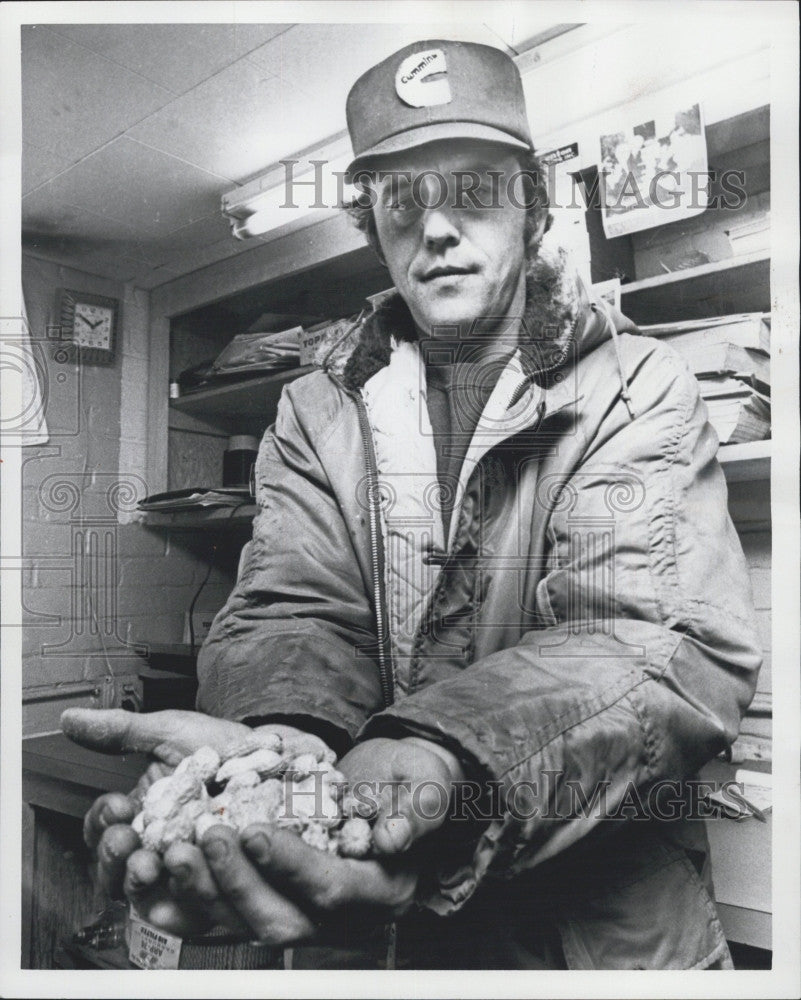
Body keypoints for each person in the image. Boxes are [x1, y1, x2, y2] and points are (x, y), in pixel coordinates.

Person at [62, 39, 762, 970]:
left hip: (595, 944)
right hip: (362, 931)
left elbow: (640, 639)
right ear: (372, 224)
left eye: (472, 190)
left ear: (531, 204)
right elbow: (292, 610)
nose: (434, 228)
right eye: (400, 198)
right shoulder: (313, 410)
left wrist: (437, 762)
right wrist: (285, 753)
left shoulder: (638, 386)